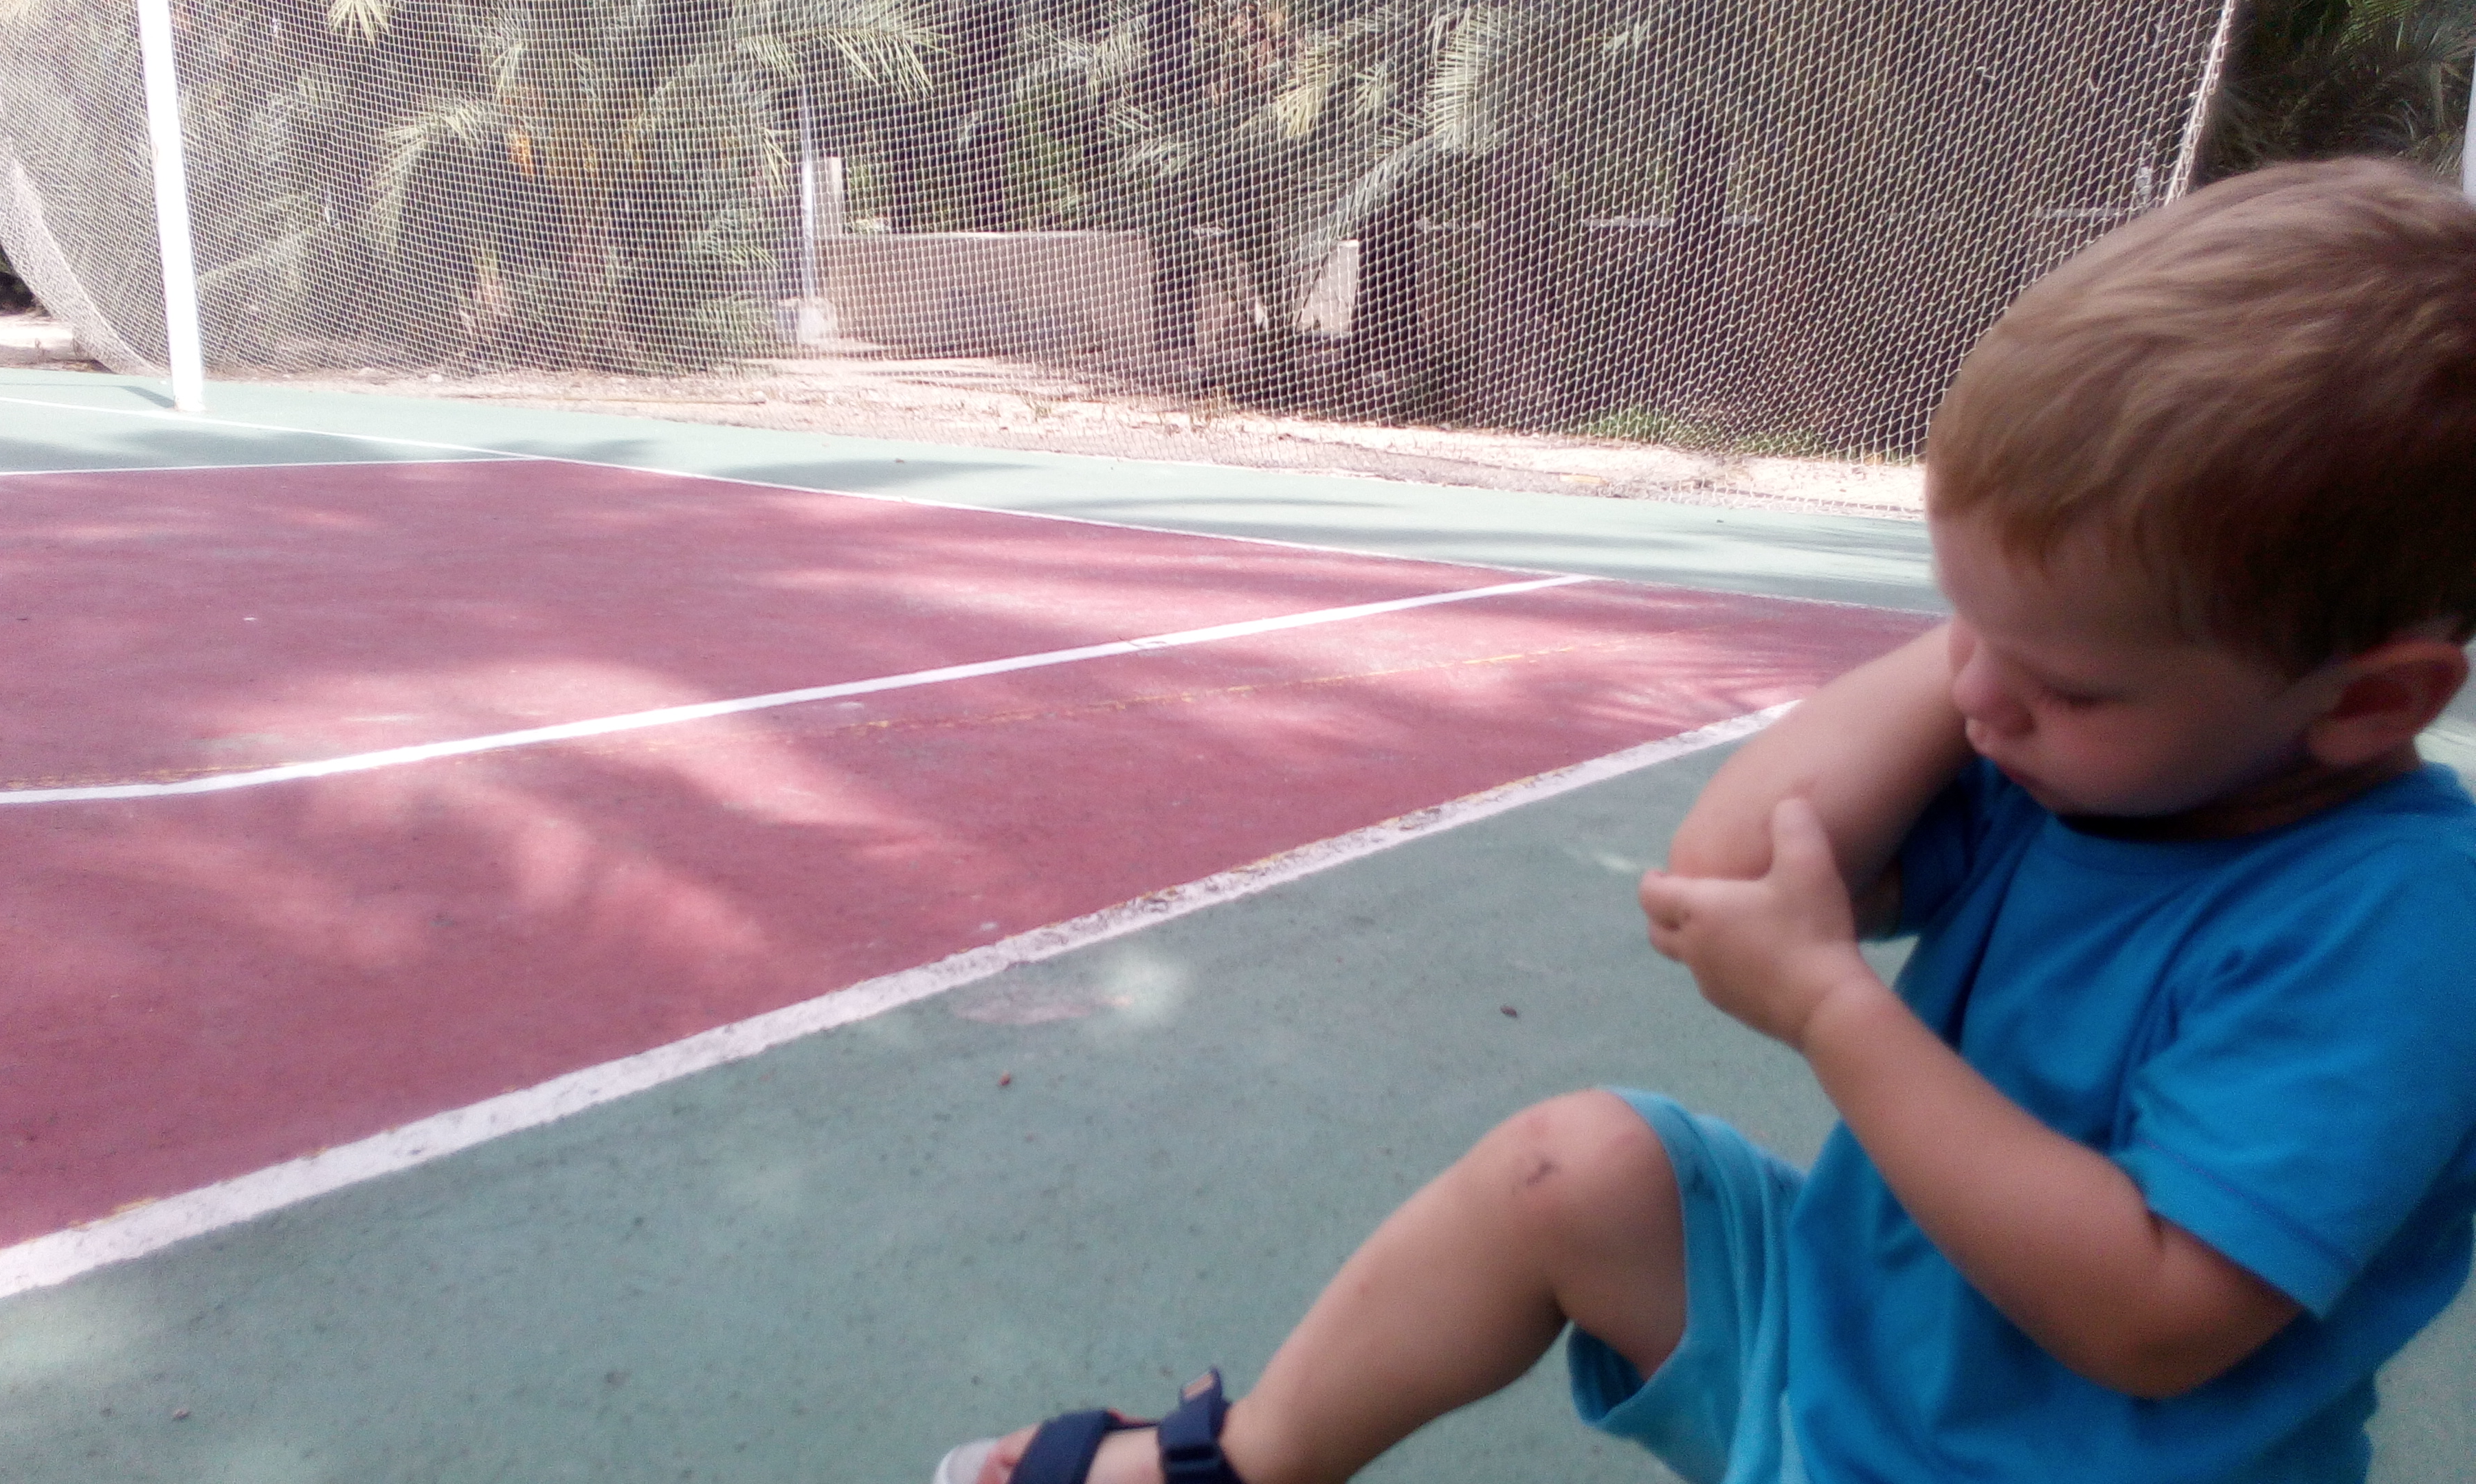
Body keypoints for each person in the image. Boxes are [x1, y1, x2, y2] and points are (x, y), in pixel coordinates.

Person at [935, 157, 2476, 1484]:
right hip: (1856, 1346)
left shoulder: (2399, 922)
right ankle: (1235, 1464)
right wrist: (2014, 631)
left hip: (2051, 1460)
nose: (1980, 702)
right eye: (1959, 627)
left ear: (2369, 701)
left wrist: (1832, 1011)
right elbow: (1728, 870)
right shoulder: (2100, 764)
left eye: (2067, 682)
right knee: (1577, 1169)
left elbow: (2152, 1318)